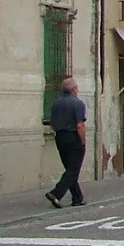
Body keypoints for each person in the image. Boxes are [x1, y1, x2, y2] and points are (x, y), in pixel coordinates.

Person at [46, 76, 88, 208]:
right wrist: (82, 140)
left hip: (60, 137)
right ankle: (56, 193)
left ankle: (77, 197)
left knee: (69, 169)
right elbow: (80, 124)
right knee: (73, 170)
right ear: (75, 89)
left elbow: (52, 122)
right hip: (73, 137)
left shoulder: (56, 103)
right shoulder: (78, 103)